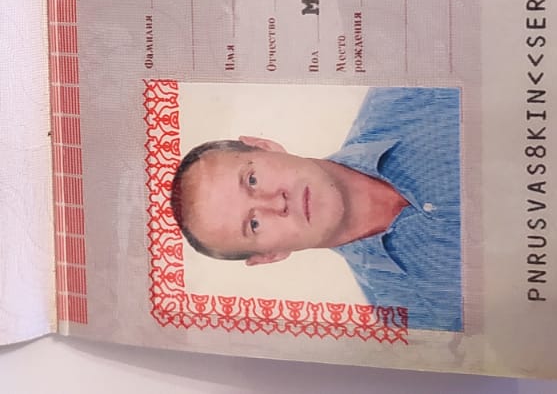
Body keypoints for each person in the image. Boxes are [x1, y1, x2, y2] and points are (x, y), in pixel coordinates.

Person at [168, 86, 461, 330]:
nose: (277, 203)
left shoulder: (408, 91)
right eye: (254, 224)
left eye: (252, 180)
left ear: (264, 145)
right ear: (270, 255)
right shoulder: (411, 317)